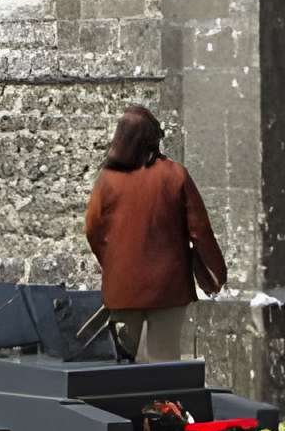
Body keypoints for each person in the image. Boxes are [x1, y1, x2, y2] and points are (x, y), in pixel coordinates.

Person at [81, 104, 224, 361]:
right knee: (164, 361)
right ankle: (162, 402)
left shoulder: (108, 178)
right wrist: (216, 272)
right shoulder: (175, 175)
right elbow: (200, 230)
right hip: (168, 287)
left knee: (121, 362)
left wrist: (114, 263)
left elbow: (92, 229)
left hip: (123, 286)